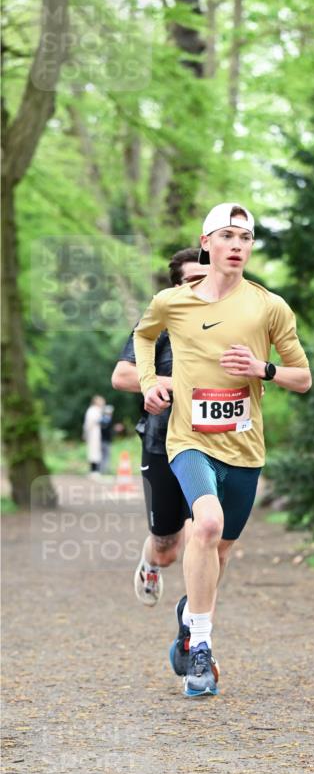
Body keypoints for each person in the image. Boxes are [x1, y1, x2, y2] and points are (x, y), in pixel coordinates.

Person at [134, 203, 311, 698]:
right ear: (206, 243)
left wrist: (263, 369)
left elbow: (303, 377)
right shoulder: (172, 301)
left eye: (245, 238)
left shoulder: (269, 307)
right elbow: (143, 337)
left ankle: (191, 617)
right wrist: (149, 382)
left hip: (244, 448)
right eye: (227, 236)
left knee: (220, 550)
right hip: (189, 439)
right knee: (206, 526)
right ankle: (202, 650)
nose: (237, 246)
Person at [111, 248, 209, 606]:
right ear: (176, 288)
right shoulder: (160, 324)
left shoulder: (233, 321)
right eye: (193, 280)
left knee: (206, 529)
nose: (202, 287)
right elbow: (122, 376)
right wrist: (173, 385)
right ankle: (151, 563)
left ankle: (195, 619)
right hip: (163, 442)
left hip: (214, 443)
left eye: (207, 279)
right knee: (168, 548)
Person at [83, 395, 105, 478]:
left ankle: (95, 470)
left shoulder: (96, 410)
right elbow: (89, 424)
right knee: (93, 452)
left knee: (96, 452)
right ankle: (94, 471)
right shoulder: (93, 410)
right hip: (93, 433)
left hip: (95, 433)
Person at [100, 404, 114, 475]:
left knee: (102, 456)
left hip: (101, 440)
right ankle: (104, 471)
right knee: (106, 456)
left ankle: (102, 470)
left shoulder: (101, 419)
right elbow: (108, 431)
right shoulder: (107, 420)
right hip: (106, 440)